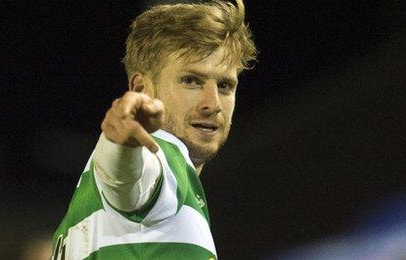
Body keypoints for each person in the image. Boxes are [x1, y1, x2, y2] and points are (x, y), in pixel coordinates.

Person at [51, 0, 256, 259]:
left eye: (225, 86)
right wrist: (121, 145)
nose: (212, 104)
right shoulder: (163, 157)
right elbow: (129, 176)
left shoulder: (86, 210)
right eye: (191, 81)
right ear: (140, 89)